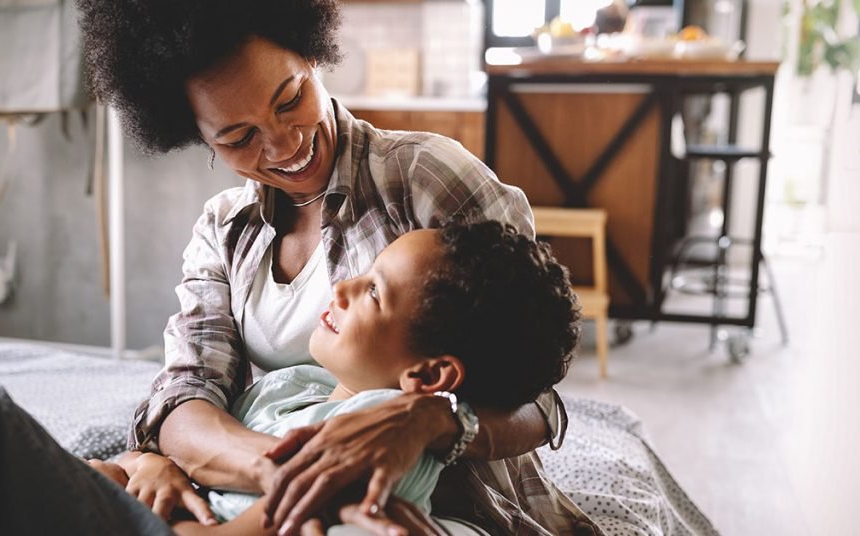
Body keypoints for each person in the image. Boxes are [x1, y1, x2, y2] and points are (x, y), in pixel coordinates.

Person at [76, 0, 598, 533]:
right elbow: (188, 395)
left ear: (313, 56)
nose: (286, 144)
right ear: (199, 138)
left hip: (441, 508)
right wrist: (300, 472)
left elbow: (534, 393)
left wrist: (432, 419)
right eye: (239, 138)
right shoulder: (224, 231)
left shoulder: (425, 179)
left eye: (291, 99)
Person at [89, 221, 578, 535]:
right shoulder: (299, 385)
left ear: (429, 374)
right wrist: (146, 466)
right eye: (236, 136)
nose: (342, 286)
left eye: (373, 293)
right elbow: (177, 427)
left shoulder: (372, 438)